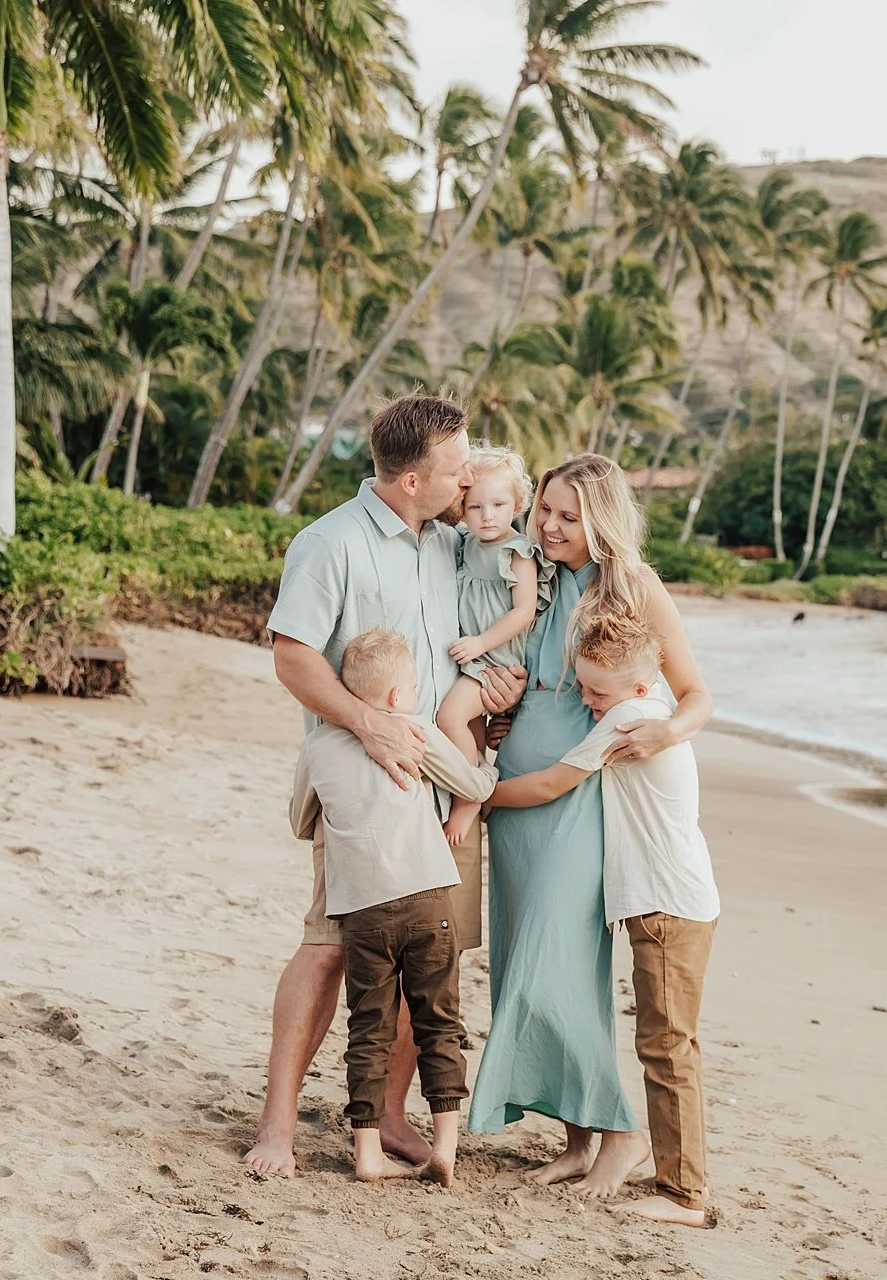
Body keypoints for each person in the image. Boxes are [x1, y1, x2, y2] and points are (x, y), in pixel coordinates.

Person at [244, 394, 526, 1178]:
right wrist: (366, 725)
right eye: (455, 466)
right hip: (369, 797)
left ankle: (394, 1117)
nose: (468, 477)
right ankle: (277, 1129)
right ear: (410, 479)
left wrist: (491, 694)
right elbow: (293, 656)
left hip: (445, 790)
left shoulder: (448, 543)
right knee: (329, 950)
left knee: (431, 957)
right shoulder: (329, 543)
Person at [466, 453, 713, 1200]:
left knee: (556, 964)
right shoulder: (530, 573)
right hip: (515, 792)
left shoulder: (634, 587)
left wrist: (665, 734)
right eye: (544, 510)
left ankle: (621, 1134)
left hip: (573, 796)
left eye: (567, 517)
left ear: (602, 520)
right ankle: (577, 1137)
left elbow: (696, 693)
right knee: (523, 964)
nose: (548, 525)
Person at [486, 611, 721, 1226]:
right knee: (664, 1040)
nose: (586, 702)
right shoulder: (653, 703)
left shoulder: (628, 719)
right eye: (584, 688)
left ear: (637, 690)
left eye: (596, 691)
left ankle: (684, 1194)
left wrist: (475, 794)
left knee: (667, 1044)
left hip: (667, 904)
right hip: (668, 901)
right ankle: (673, 1178)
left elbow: (549, 786)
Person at [289, 628, 497, 1186]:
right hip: (430, 898)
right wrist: (492, 760)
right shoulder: (417, 731)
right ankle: (446, 1145)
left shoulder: (318, 746)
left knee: (369, 1027)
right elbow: (474, 784)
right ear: (394, 698)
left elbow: (298, 821)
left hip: (362, 913)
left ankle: (367, 1154)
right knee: (439, 1022)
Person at [436, 446, 546, 846]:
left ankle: (471, 790)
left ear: (517, 504)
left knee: (449, 718)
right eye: (474, 506)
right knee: (472, 729)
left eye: (499, 505)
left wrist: (480, 642)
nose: (487, 516)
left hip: (495, 659)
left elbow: (523, 612)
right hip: (475, 654)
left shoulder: (517, 552)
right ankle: (475, 775)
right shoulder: (466, 542)